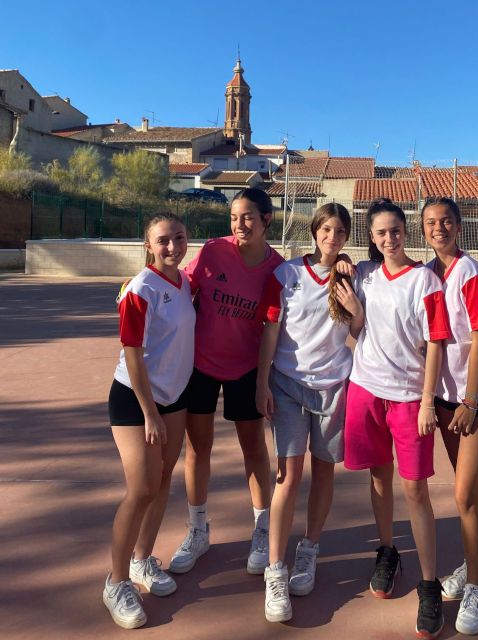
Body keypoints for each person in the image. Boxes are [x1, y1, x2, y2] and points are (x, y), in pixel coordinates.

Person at [343, 198, 452, 639]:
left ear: (407, 232)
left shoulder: (424, 280)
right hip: (365, 390)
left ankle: (429, 583)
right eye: (381, 233)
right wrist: (354, 307)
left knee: (416, 490)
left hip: (409, 399)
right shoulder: (364, 276)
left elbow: (437, 345)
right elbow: (357, 331)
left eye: (396, 230)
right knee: (378, 479)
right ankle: (387, 551)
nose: (390, 238)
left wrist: (428, 401)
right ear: (371, 237)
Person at [255, 203, 364, 622]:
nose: (332, 237)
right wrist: (262, 382)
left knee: (323, 472)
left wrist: (355, 305)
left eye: (340, 232)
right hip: (287, 387)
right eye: (326, 229)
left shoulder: (351, 277)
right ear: (315, 231)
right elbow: (270, 332)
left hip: (334, 388)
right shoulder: (287, 276)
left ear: (346, 237)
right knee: (288, 477)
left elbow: (357, 331)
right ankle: (276, 569)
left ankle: (309, 550)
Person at [170, 188, 284, 576]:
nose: (240, 225)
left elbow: (276, 326)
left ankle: (262, 528)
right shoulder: (214, 251)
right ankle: (198, 528)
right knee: (198, 447)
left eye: (249, 217)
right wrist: (139, 286)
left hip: (246, 369)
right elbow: (179, 284)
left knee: (253, 449)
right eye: (235, 217)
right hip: (200, 365)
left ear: (267, 219)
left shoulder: (277, 268)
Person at [104, 212, 195, 629]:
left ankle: (142, 560)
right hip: (136, 401)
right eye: (163, 240)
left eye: (179, 238)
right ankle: (116, 581)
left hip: (174, 398)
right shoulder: (139, 289)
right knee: (141, 488)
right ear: (148, 245)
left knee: (162, 482)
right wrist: (149, 412)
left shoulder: (184, 282)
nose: (172, 246)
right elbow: (133, 356)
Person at [422, 197, 478, 635]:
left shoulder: (469, 272)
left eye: (447, 222)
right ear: (423, 229)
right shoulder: (427, 273)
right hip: (445, 398)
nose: (440, 228)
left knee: (464, 494)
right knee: (465, 491)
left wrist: (471, 399)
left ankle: (475, 586)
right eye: (432, 222)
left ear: (459, 227)